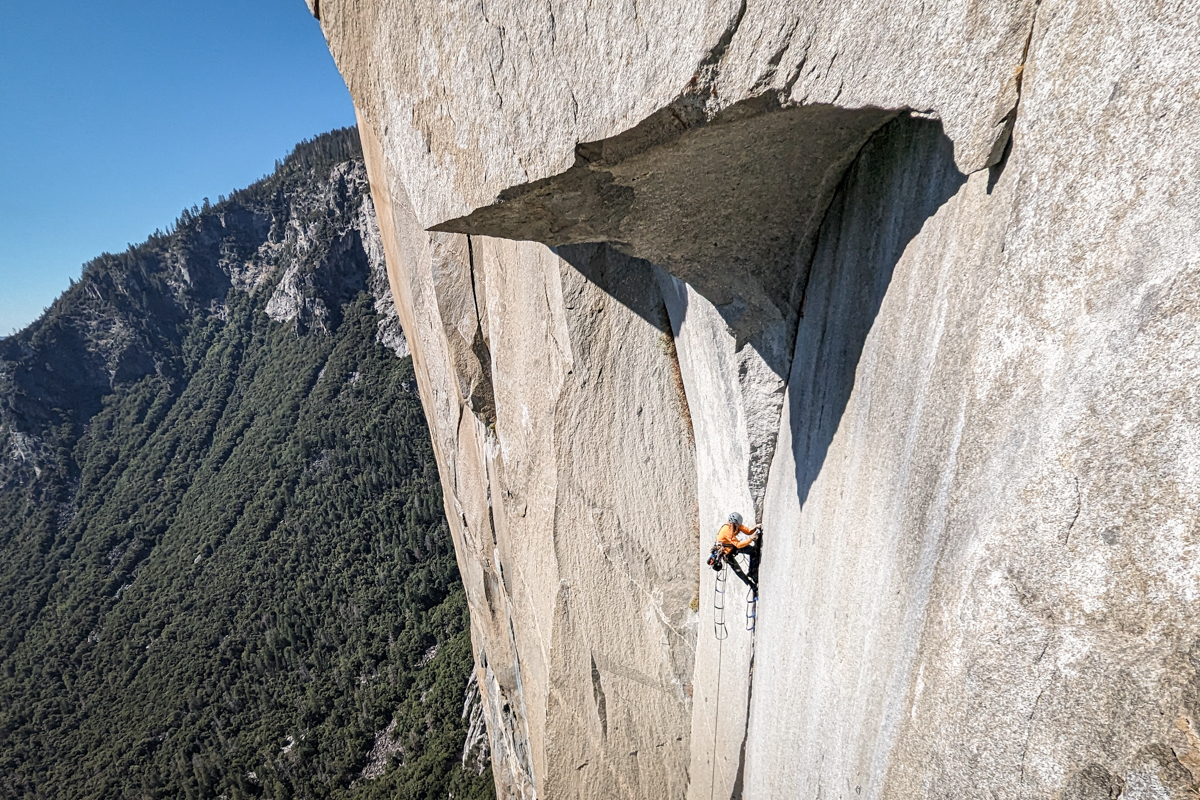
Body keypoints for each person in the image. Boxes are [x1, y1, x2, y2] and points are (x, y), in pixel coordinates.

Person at [711, 511, 761, 592]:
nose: (739, 526)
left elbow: (748, 531)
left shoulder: (735, 525)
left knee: (753, 551)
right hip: (727, 553)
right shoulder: (727, 530)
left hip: (732, 547)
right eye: (738, 525)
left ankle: (752, 572)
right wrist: (750, 539)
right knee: (739, 571)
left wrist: (755, 528)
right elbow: (738, 545)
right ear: (734, 523)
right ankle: (751, 585)